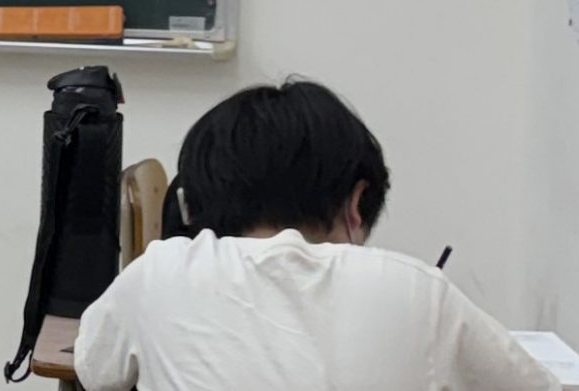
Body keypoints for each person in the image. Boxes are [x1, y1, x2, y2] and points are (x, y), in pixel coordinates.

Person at [75, 80, 553, 391]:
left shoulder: (160, 274)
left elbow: (95, 370)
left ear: (194, 203)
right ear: (357, 202)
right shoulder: (416, 290)